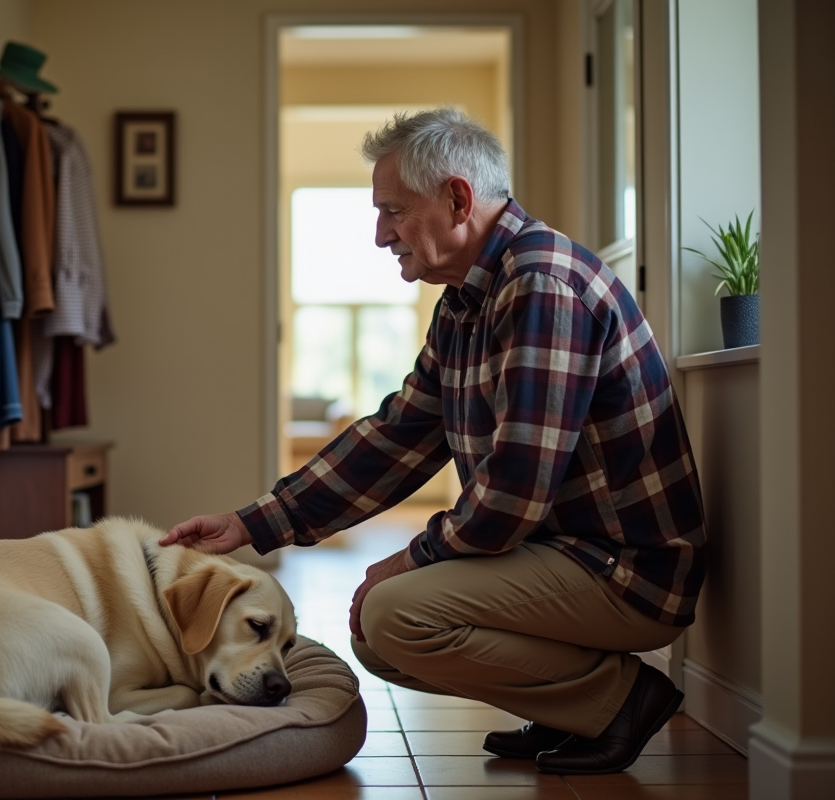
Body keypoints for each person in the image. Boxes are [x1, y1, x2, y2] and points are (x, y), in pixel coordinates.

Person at [161, 107, 707, 776]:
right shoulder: (466, 303)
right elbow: (398, 437)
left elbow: (512, 495)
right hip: (563, 551)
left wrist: (407, 560)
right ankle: (571, 707)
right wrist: (253, 523)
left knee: (393, 615)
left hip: (627, 571)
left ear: (457, 199)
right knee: (378, 635)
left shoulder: (540, 285)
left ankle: (619, 701)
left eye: (392, 211)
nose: (380, 235)